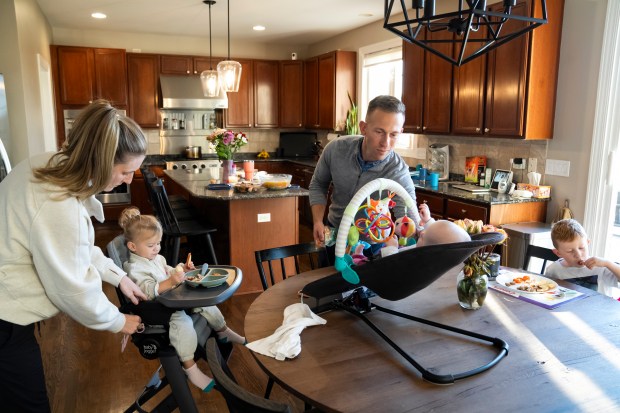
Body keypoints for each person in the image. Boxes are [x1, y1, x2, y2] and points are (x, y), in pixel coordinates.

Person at [0, 100, 148, 412]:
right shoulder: (57, 203)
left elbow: (75, 248)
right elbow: (73, 290)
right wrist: (120, 321)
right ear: (102, 160)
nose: (129, 179)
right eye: (126, 171)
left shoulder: (49, 165)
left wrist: (118, 276)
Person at [119, 207, 246, 392]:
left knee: (206, 304)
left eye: (158, 243)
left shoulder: (156, 258)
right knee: (183, 322)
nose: (157, 248)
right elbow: (146, 290)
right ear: (132, 246)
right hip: (156, 310)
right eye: (151, 245)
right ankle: (190, 368)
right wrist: (171, 281)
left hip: (171, 301)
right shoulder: (134, 268)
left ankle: (223, 331)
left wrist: (181, 270)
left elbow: (167, 270)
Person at [309, 95, 433, 260]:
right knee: (328, 283)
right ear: (363, 127)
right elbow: (318, 184)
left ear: (401, 132)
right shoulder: (336, 149)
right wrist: (318, 221)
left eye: (394, 134)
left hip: (374, 246)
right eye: (379, 132)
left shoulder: (398, 171)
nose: (386, 143)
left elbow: (409, 217)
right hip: (334, 235)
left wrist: (426, 227)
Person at [545, 219, 620, 299]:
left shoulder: (602, 267)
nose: (578, 255)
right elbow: (549, 295)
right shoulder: (553, 270)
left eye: (581, 248)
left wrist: (608, 263)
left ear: (587, 243)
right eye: (570, 251)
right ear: (558, 253)